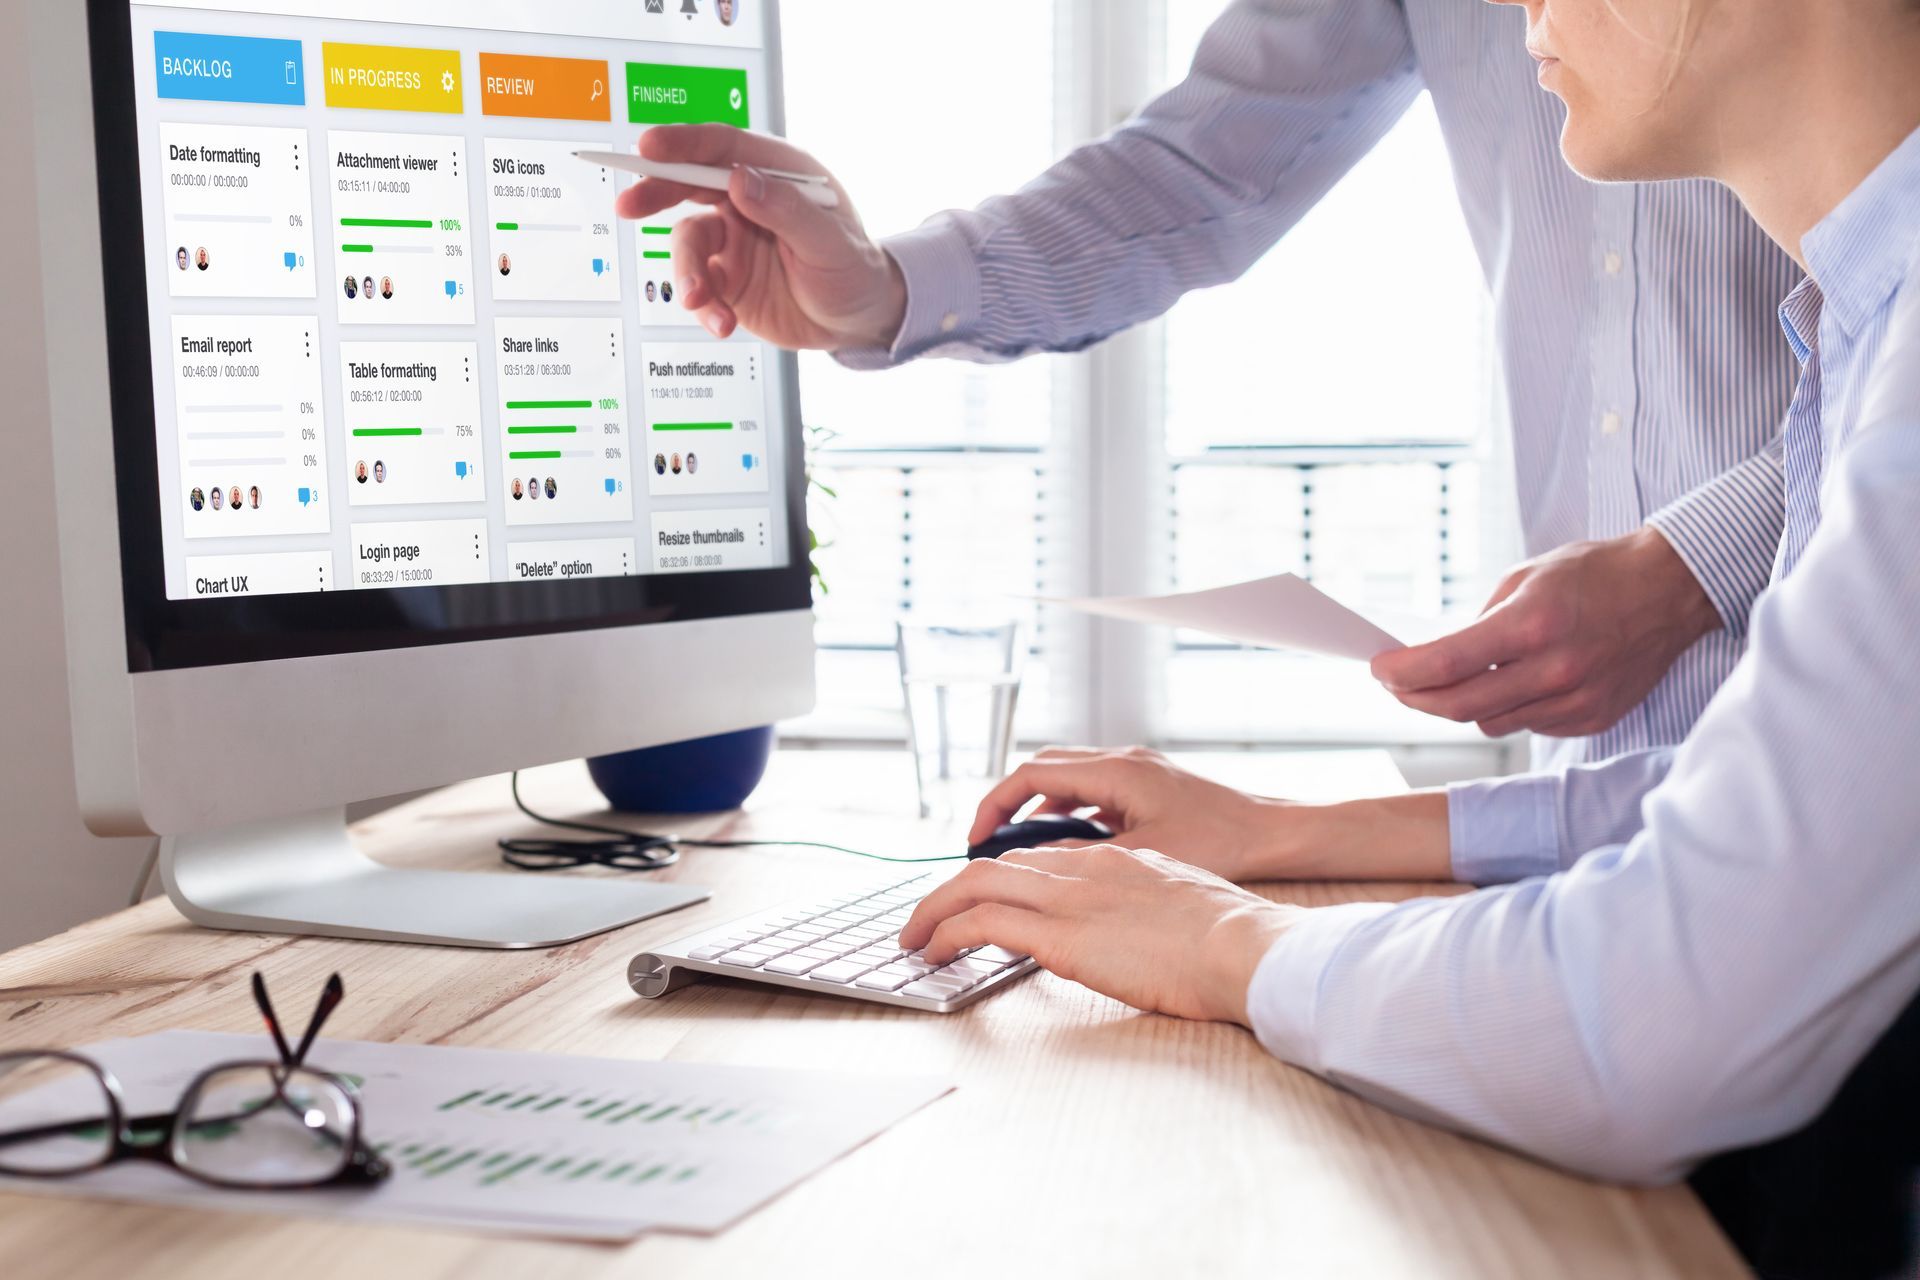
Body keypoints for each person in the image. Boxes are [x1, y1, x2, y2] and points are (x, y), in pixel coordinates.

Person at [902, 2, 1920, 1272]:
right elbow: (1794, 808)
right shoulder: (1861, 326)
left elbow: (1653, 1013)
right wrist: (1287, 835)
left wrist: (1226, 941)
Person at [614, 1, 1800, 777]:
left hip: (1853, 722)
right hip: (1595, 775)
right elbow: (1203, 171)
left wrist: (1699, 563)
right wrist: (879, 289)